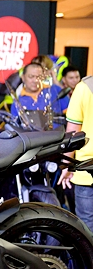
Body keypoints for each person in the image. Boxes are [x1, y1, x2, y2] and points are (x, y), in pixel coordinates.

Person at [58, 76, 93, 231]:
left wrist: (66, 165)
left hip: (87, 171)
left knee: (87, 228)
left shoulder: (84, 87)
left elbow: (73, 133)